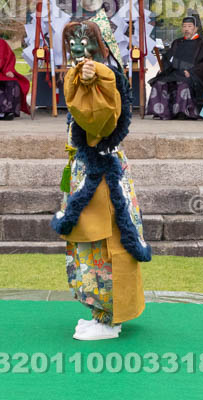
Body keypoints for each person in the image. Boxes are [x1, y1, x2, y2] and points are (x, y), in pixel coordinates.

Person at [52, 20, 150, 341]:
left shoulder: (106, 77)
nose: (78, 48)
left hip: (102, 173)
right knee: (88, 241)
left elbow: (99, 121)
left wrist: (92, 80)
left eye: (85, 41)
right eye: (73, 42)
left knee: (105, 241)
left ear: (101, 45)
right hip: (86, 169)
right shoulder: (83, 74)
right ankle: (99, 313)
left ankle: (109, 318)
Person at [145, 14, 203, 120]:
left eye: (189, 26)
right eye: (184, 26)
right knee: (160, 82)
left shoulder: (201, 44)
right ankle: (162, 112)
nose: (186, 29)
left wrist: (191, 72)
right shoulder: (177, 42)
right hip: (175, 72)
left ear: (195, 29)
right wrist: (164, 69)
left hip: (191, 75)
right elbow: (168, 58)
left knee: (183, 84)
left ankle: (183, 112)